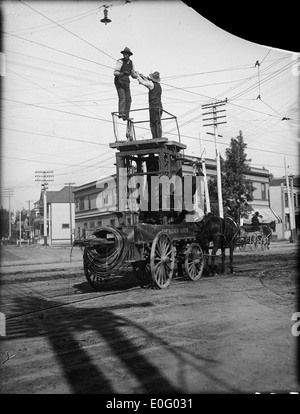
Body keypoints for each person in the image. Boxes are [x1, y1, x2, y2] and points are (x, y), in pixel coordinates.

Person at [136, 71, 163, 138]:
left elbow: (143, 82)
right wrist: (143, 76)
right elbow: (148, 81)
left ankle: (155, 137)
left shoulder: (151, 84)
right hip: (160, 106)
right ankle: (158, 136)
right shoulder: (159, 86)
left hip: (153, 106)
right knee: (158, 122)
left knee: (153, 123)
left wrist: (138, 76)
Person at [113, 47, 137, 120]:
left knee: (129, 99)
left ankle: (126, 115)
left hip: (126, 82)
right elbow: (115, 72)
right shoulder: (120, 61)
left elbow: (133, 74)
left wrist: (138, 76)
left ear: (129, 55)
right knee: (123, 97)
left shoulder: (131, 63)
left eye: (127, 54)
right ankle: (121, 113)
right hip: (119, 81)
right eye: (124, 54)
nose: (125, 55)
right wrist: (122, 73)